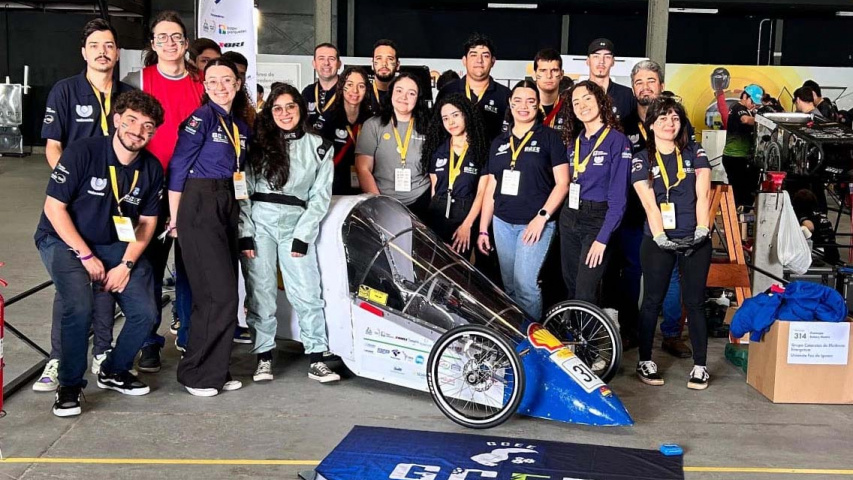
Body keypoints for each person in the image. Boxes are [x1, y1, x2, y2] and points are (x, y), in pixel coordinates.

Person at [36, 90, 165, 416]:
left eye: (148, 126)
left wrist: (126, 263)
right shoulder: (82, 152)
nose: (138, 131)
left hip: (114, 245)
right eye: (132, 120)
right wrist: (85, 255)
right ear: (118, 120)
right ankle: (69, 385)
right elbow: (54, 208)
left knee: (145, 311)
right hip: (63, 239)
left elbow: (148, 223)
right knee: (79, 306)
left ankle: (115, 370)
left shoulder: (150, 168)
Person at [35, 18, 137, 392]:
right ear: (84, 51)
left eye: (109, 45)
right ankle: (59, 359)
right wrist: (71, 185)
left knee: (106, 281)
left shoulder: (128, 94)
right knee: (72, 284)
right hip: (74, 201)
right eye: (95, 45)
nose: (102, 52)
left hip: (115, 207)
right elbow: (53, 147)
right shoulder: (65, 91)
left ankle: (103, 352)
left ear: (117, 52)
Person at [239, 83, 339, 384]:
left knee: (308, 292)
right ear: (270, 112)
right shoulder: (257, 144)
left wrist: (303, 235)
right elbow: (242, 188)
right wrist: (245, 231)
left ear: (300, 108)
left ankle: (317, 357)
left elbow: (320, 196)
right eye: (278, 108)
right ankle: (264, 357)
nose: (285, 113)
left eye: (290, 107)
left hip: (296, 223)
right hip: (260, 221)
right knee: (261, 292)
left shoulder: (319, 146)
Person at [122, 10, 205, 372]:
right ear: (152, 44)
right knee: (149, 270)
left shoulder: (202, 83)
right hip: (149, 192)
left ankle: (188, 336)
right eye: (162, 37)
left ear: (185, 43)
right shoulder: (136, 79)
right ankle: (149, 341)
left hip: (191, 191)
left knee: (191, 270)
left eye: (176, 37)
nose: (169, 43)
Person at [167, 58, 250, 397]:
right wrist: (175, 219)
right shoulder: (199, 119)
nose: (220, 86)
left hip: (228, 202)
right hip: (198, 203)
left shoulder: (239, 124)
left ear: (238, 84)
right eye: (213, 81)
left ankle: (215, 369)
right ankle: (196, 374)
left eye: (227, 80)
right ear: (204, 86)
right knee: (217, 295)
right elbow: (178, 168)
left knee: (225, 291)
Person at [611, 60, 695, 356]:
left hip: (673, 211)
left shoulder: (678, 121)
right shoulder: (623, 122)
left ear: (661, 84)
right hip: (634, 212)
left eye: (650, 81)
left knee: (671, 272)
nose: (645, 87)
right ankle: (632, 331)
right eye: (639, 82)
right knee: (632, 271)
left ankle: (671, 334)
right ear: (633, 89)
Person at [631, 96, 712, 390]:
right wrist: (660, 236)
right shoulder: (642, 157)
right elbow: (650, 205)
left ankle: (700, 366)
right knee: (652, 300)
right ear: (650, 124)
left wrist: (702, 229)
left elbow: (703, 194)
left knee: (695, 302)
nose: (669, 123)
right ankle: (645, 360)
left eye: (675, 118)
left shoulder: (696, 152)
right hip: (657, 239)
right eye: (662, 118)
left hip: (695, 238)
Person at [477, 80, 569, 320]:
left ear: (538, 105)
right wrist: (483, 230)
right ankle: (514, 339)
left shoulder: (550, 138)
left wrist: (542, 217)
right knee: (509, 287)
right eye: (517, 100)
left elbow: (562, 183)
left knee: (526, 286)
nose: (523, 106)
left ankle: (531, 344)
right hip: (502, 223)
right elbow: (492, 187)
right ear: (510, 103)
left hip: (535, 224)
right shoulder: (498, 142)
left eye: (530, 101)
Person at [557, 80, 632, 305]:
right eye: (576, 102)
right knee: (570, 286)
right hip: (570, 216)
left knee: (585, 290)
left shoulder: (618, 141)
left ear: (601, 100)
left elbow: (619, 199)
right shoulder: (575, 142)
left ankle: (591, 340)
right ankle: (573, 339)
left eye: (587, 98)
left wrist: (602, 238)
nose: (582, 105)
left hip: (597, 220)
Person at [355, 72, 431, 219]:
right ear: (391, 93)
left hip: (421, 199)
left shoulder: (429, 127)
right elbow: (363, 168)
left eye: (411, 93)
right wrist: (378, 203)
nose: (404, 97)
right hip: (383, 200)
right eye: (399, 90)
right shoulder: (373, 125)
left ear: (418, 98)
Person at [421, 93, 489, 256]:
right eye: (445, 118)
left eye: (455, 115)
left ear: (466, 114)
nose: (451, 122)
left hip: (465, 214)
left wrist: (467, 225)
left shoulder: (481, 149)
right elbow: (434, 190)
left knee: (458, 268)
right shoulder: (438, 150)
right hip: (437, 213)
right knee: (435, 263)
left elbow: (482, 193)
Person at [436, 34, 511, 141]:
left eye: (485, 55)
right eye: (473, 55)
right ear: (464, 60)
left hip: (490, 156)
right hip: (453, 156)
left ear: (493, 61)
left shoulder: (505, 94)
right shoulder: (448, 91)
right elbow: (436, 130)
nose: (479, 60)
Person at [316, 66, 373, 195]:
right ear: (341, 87)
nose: (355, 91)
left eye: (361, 86)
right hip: (333, 187)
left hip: (364, 186)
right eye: (350, 84)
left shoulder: (371, 120)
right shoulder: (328, 118)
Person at [722, 84, 762, 208]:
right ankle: (737, 219)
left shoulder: (748, 110)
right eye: (752, 101)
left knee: (746, 191)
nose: (753, 105)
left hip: (742, 156)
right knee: (739, 192)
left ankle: (743, 217)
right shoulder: (738, 107)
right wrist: (764, 120)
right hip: (735, 157)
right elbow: (745, 119)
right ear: (745, 96)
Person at [586, 38, 635, 127]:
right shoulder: (576, 93)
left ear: (613, 62)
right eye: (596, 56)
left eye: (607, 56)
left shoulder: (626, 95)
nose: (601, 61)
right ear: (588, 61)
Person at [302, 43, 342, 127]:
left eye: (331, 59)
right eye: (321, 58)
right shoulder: (308, 92)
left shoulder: (349, 91)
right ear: (314, 64)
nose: (326, 63)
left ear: (339, 64)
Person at [533, 48, 566, 131]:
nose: (549, 76)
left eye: (554, 70)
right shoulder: (524, 106)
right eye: (543, 70)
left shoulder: (570, 107)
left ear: (561, 74)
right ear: (534, 74)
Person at [369, 39, 400, 114]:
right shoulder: (362, 93)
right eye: (379, 58)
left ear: (398, 65)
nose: (384, 64)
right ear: (372, 64)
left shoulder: (404, 95)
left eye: (390, 59)